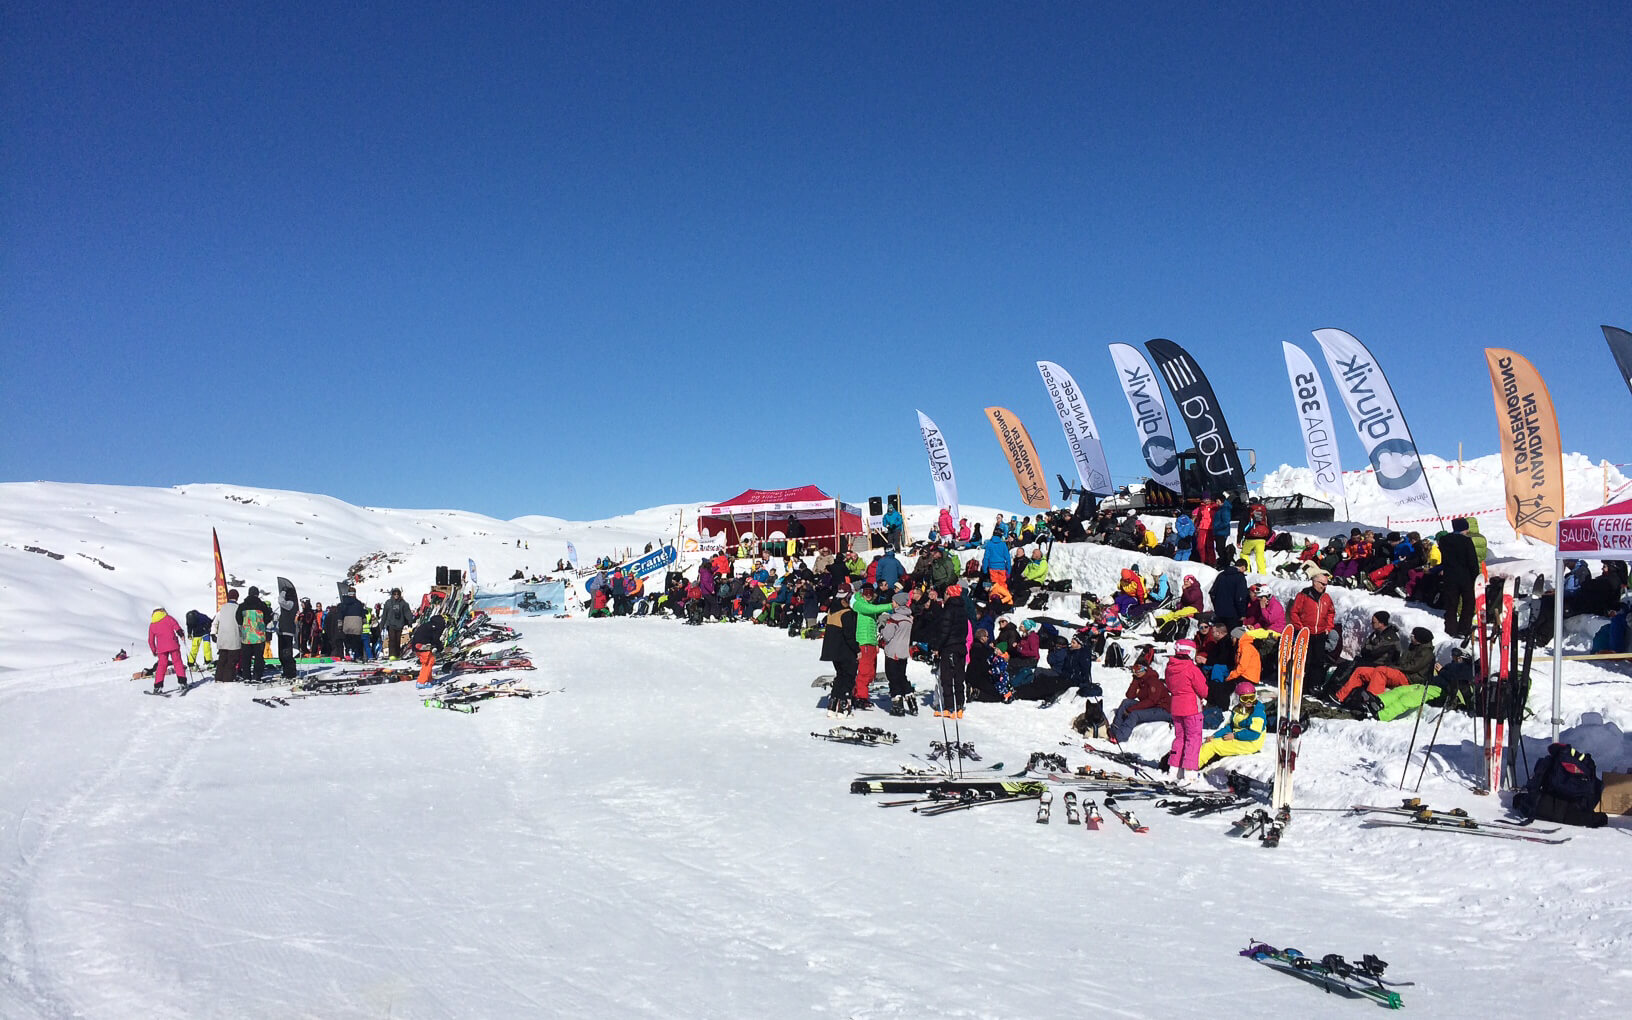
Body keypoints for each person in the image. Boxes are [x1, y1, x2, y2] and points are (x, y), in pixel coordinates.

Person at [1163, 639, 1209, 781]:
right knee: (1193, 739)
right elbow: (1203, 690)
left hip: (1176, 706)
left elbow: (1169, 686)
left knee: (1180, 738)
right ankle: (1190, 772)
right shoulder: (1191, 668)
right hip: (1192, 708)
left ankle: (1174, 769)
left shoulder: (1170, 667)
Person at [1196, 681, 1268, 767]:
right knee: (1209, 742)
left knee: (1212, 746)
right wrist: (1215, 736)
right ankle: (1195, 764)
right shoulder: (1237, 710)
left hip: (1251, 742)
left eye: (1251, 698)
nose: (1249, 701)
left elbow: (1254, 734)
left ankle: (1191, 769)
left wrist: (1235, 735)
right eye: (1245, 699)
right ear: (1239, 698)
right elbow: (1230, 727)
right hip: (1239, 738)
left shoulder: (1257, 713)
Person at [1289, 569, 1338, 694]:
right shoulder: (1304, 595)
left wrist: (1328, 627)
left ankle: (1314, 685)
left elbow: (1331, 612)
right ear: (1314, 582)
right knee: (1305, 660)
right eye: (1322, 583)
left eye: (1326, 584)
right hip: (1306, 633)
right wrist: (1300, 627)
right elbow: (1294, 612)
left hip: (1320, 633)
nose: (1324, 586)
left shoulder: (1326, 597)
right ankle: (1300, 684)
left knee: (1318, 661)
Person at [1110, 645, 1171, 743]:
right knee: (1126, 702)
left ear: (1145, 669)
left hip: (1163, 709)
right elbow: (1130, 696)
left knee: (1135, 714)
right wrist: (1135, 680)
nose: (1136, 671)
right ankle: (1114, 730)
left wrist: (1132, 709)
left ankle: (1120, 737)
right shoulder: (1139, 679)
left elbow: (1151, 701)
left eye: (1139, 669)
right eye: (1134, 669)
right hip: (1152, 706)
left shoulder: (1152, 681)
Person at [1437, 518, 1480, 638]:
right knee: (1468, 603)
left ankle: (1450, 629)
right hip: (1465, 577)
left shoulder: (1444, 540)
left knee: (1451, 604)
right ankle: (1463, 629)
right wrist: (1476, 577)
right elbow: (1472, 561)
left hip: (1450, 576)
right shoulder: (1467, 541)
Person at [934, 585, 972, 717]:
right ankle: (960, 705)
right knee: (959, 676)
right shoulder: (963, 609)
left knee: (947, 677)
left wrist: (938, 646)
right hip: (961, 646)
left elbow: (944, 631)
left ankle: (949, 707)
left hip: (949, 647)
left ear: (949, 594)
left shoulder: (949, 610)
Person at [850, 585, 892, 707]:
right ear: (861, 592)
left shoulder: (868, 603)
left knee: (871, 672)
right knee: (865, 671)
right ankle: (860, 697)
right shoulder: (859, 604)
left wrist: (876, 642)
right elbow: (873, 609)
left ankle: (859, 692)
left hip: (871, 642)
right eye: (866, 592)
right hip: (864, 642)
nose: (868, 595)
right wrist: (891, 606)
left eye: (870, 592)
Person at [819, 596, 860, 715]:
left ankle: (832, 705)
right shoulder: (846, 613)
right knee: (849, 677)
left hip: (833, 651)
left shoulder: (832, 611)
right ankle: (844, 706)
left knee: (840, 676)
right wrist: (857, 649)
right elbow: (849, 635)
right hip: (845, 651)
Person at [878, 592, 916, 716]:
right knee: (901, 676)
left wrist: (882, 627)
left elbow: (887, 636)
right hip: (903, 652)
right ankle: (911, 700)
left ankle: (897, 704)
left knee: (893, 678)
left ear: (897, 603)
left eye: (893, 602)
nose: (892, 604)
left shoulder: (894, 619)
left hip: (892, 652)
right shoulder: (909, 618)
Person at [146, 607, 186, 693]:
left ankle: (157, 687)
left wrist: (154, 650)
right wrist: (181, 634)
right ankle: (182, 683)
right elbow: (177, 627)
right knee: (178, 663)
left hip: (161, 649)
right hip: (173, 645)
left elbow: (150, 640)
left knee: (161, 666)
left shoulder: (152, 624)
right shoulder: (168, 618)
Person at [237, 586, 272, 681]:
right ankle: (257, 675)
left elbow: (238, 619)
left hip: (247, 635)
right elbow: (268, 618)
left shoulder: (242, 606)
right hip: (259, 635)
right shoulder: (262, 605)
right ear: (257, 594)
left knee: (246, 657)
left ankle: (246, 676)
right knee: (258, 657)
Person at [1209, 558, 1251, 632]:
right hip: (1233, 614)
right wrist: (1242, 613)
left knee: (1220, 635)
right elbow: (1240, 598)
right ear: (1243, 567)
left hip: (1219, 612)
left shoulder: (1221, 575)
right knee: (1232, 636)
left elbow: (1212, 593)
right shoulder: (1240, 577)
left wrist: (1217, 607)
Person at [212, 589, 243, 683]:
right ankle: (228, 678)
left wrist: (213, 633)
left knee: (222, 659)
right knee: (231, 661)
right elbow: (241, 624)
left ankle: (218, 677)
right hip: (234, 638)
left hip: (222, 638)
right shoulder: (238, 608)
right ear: (237, 597)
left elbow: (215, 622)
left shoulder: (222, 608)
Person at [411, 615, 447, 687]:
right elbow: (435, 639)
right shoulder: (437, 627)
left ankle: (429, 679)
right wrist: (439, 647)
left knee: (430, 661)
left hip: (417, 645)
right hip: (422, 646)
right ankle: (422, 682)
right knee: (427, 663)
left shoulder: (428, 624)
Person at [1239, 502, 1273, 574]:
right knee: (1260, 556)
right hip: (1262, 538)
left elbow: (1241, 526)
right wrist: (1266, 538)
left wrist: (1239, 539)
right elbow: (1269, 525)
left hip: (1250, 538)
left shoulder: (1248, 511)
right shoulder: (1264, 511)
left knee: (1244, 554)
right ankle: (1262, 573)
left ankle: (1247, 571)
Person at [381, 588, 414, 660]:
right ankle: (392, 655)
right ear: (392, 595)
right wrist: (381, 625)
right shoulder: (388, 603)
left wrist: (410, 621)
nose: (396, 595)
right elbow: (384, 615)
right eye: (394, 594)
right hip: (390, 624)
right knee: (392, 639)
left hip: (399, 624)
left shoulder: (403, 603)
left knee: (397, 640)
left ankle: (397, 654)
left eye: (397, 594)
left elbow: (407, 613)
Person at [337, 587, 368, 661]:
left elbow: (340, 615)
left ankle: (348, 653)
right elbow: (363, 615)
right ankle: (357, 655)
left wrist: (340, 625)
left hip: (347, 624)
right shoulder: (359, 603)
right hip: (357, 624)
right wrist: (364, 622)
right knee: (357, 640)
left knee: (347, 639)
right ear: (355, 594)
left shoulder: (343, 603)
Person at [276, 581, 299, 680]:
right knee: (282, 654)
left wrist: (283, 592)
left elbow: (281, 601)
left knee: (286, 653)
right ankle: (286, 671)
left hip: (287, 631)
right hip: (282, 630)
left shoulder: (291, 603)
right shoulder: (290, 604)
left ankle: (291, 673)